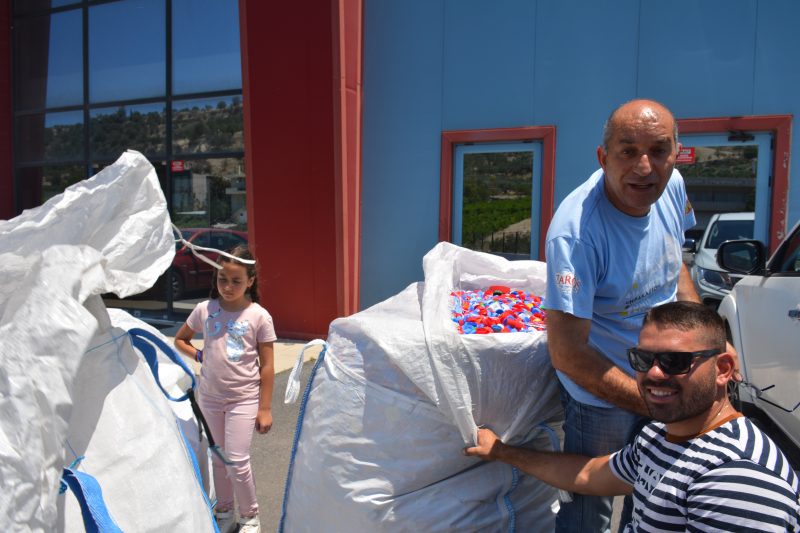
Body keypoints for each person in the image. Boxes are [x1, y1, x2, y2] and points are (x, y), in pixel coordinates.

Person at [465, 301, 800, 532]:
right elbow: (591, 475)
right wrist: (501, 451)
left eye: (674, 361)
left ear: (723, 369)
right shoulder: (660, 436)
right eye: (643, 359)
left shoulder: (736, 480)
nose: (654, 373)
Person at [543, 98, 702, 531]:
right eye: (628, 151)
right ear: (603, 157)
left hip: (664, 375)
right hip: (603, 391)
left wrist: (710, 343)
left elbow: (675, 264)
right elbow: (568, 354)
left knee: (652, 493)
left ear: (676, 153)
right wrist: (651, 398)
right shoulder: (576, 235)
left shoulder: (673, 187)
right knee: (590, 505)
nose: (644, 167)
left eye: (658, 150)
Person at [174, 245, 276, 533]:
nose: (228, 287)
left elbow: (268, 366)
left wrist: (265, 408)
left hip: (243, 399)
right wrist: (199, 354)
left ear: (250, 281)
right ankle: (224, 511)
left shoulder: (259, 316)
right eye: (222, 280)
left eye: (236, 281)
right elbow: (180, 339)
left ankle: (250, 516)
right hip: (209, 399)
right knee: (219, 459)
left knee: (237, 461)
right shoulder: (204, 310)